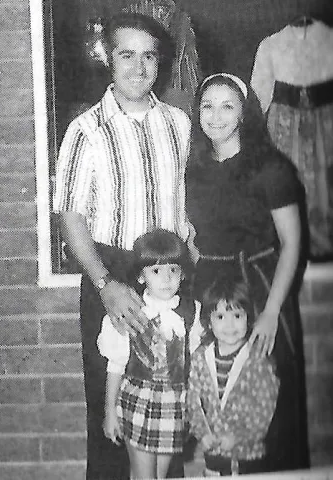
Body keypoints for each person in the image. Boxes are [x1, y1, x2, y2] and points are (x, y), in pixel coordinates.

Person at [53, 12, 191, 480]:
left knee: (166, 410)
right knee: (113, 415)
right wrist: (105, 282)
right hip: (111, 272)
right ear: (108, 60)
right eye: (126, 54)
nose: (138, 66)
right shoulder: (86, 129)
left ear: (161, 62)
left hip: (168, 273)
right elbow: (70, 216)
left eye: (148, 55)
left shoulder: (179, 124)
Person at [186, 73, 310, 471]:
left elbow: (292, 243)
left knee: (263, 403)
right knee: (216, 397)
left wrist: (272, 311)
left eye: (227, 105)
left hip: (259, 292)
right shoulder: (195, 169)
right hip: (211, 295)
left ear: (243, 113)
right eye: (207, 105)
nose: (216, 116)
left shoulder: (269, 167)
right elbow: (198, 240)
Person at [98, 229, 202, 479]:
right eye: (156, 271)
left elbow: (197, 363)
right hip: (138, 403)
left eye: (173, 270)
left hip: (174, 407)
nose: (166, 278)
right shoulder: (131, 311)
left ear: (183, 273)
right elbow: (115, 365)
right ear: (142, 276)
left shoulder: (192, 311)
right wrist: (110, 412)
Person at [187, 278, 279, 476]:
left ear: (249, 318)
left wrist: (238, 436)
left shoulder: (258, 361)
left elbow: (264, 410)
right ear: (209, 322)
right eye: (220, 317)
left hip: (248, 456)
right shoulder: (201, 358)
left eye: (237, 315)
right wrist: (202, 434)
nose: (229, 325)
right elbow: (193, 401)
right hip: (213, 455)